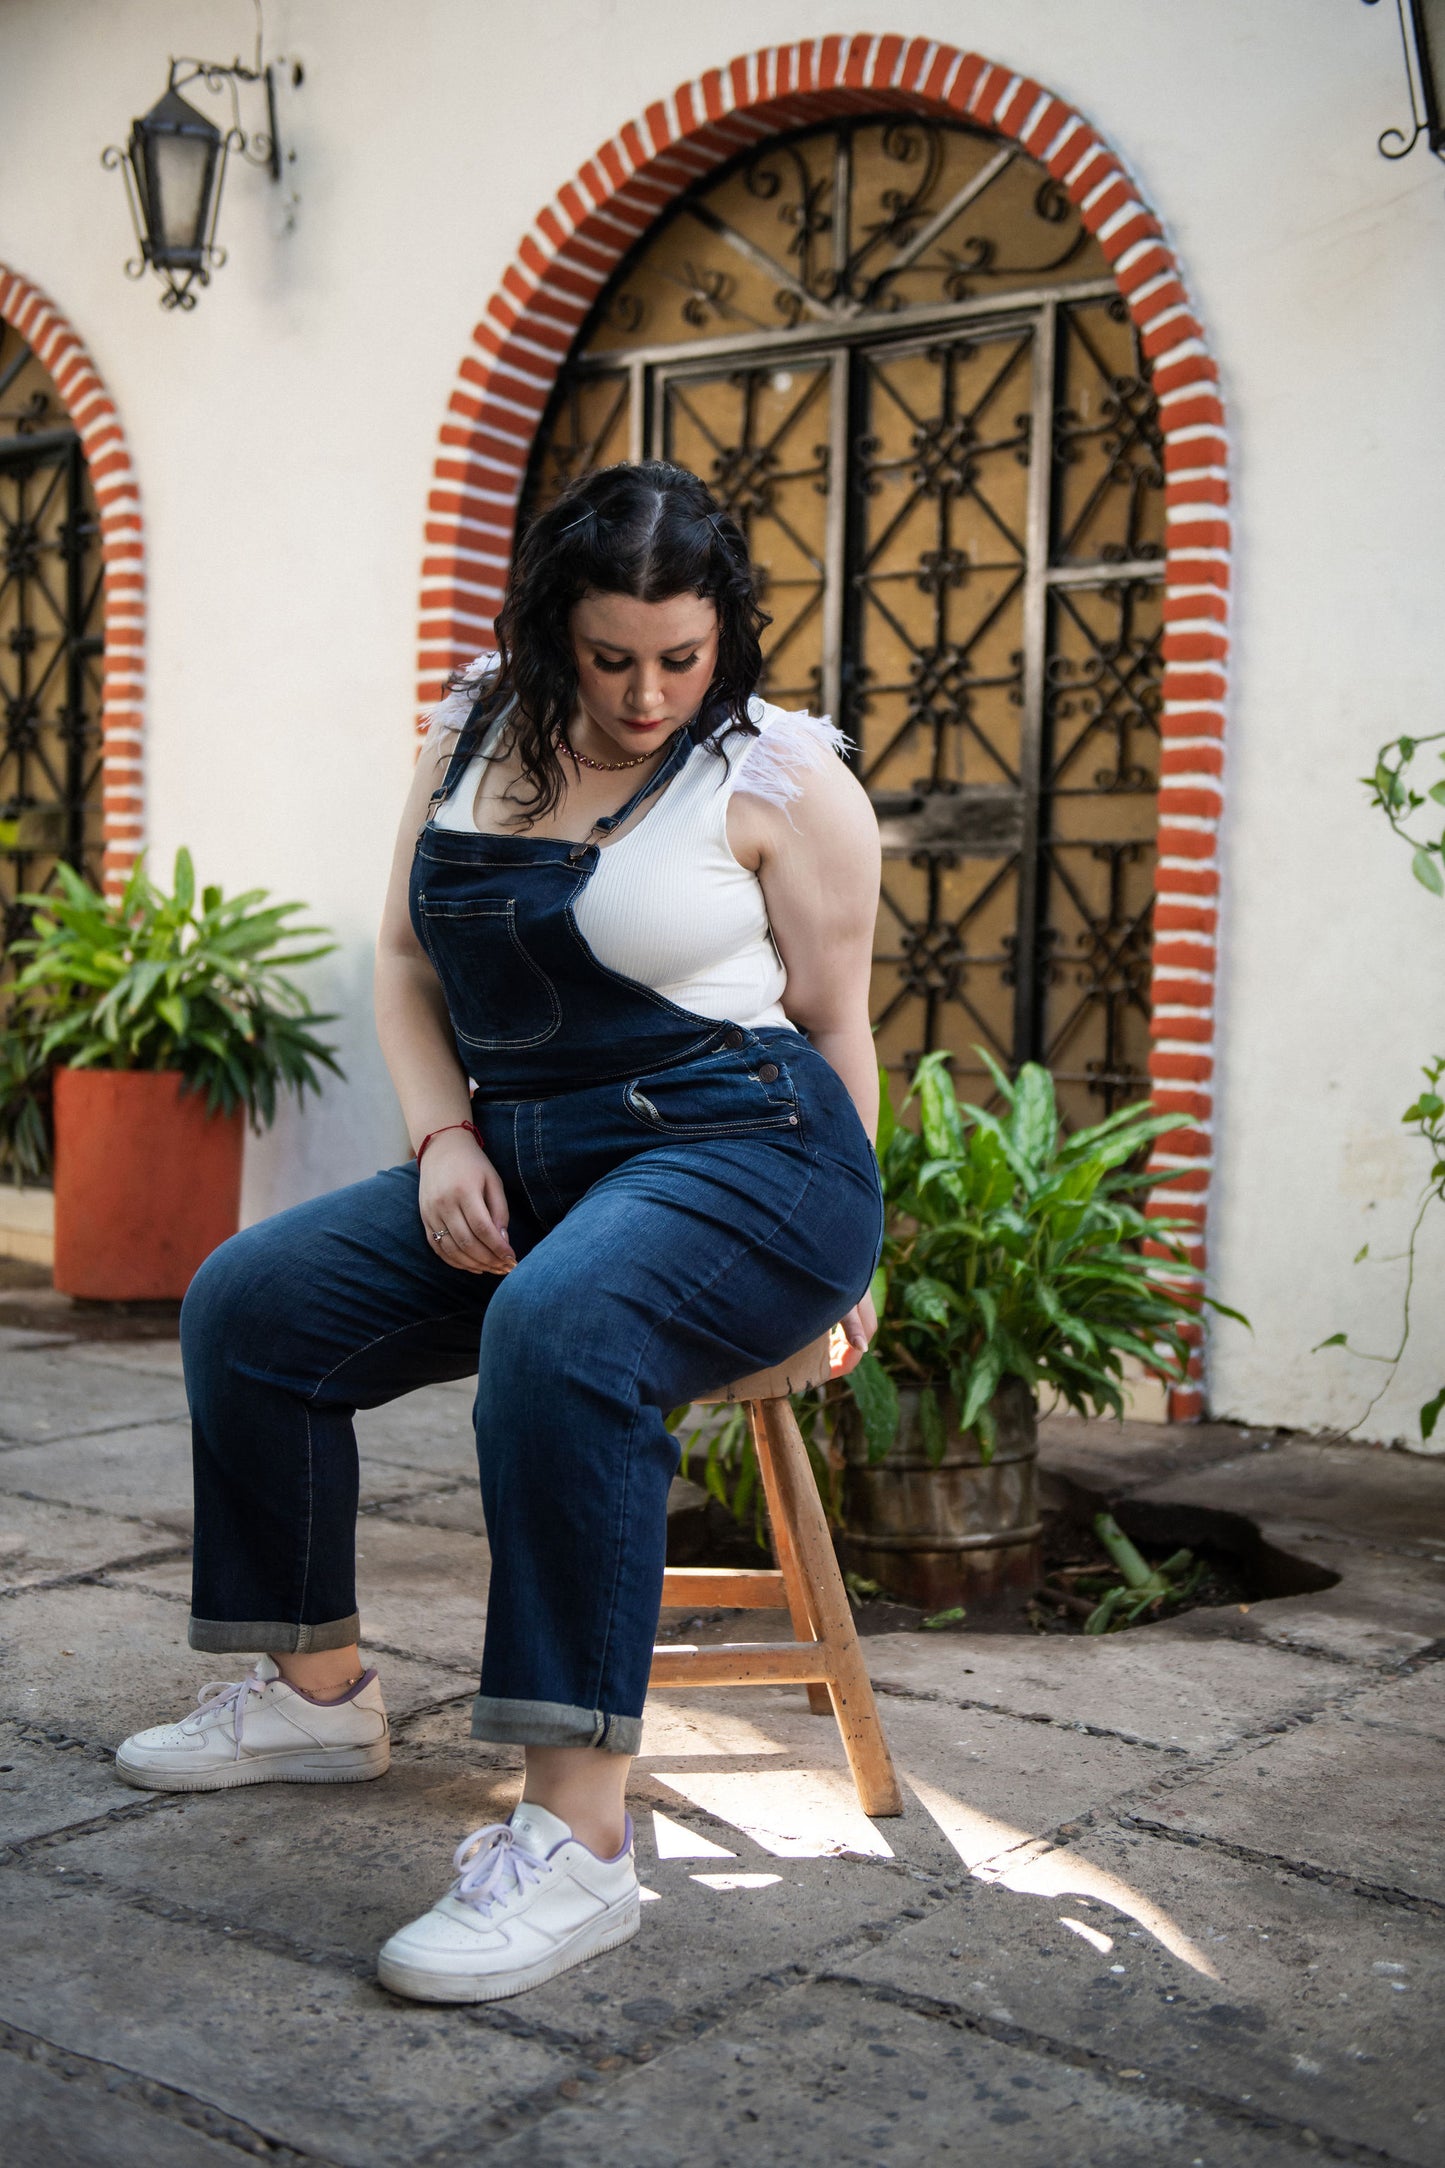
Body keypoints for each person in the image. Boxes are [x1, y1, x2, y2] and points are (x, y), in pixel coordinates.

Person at [113, 461, 884, 2003]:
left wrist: (840, 1271)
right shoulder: (473, 731)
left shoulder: (782, 783)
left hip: (742, 1158)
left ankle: (577, 1845)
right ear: (551, 633)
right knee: (250, 1301)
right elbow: (403, 955)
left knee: (564, 1331)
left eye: (683, 656)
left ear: (723, 633)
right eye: (612, 659)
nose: (650, 692)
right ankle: (316, 1693)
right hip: (519, 1154)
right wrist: (442, 1134)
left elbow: (835, 1025)